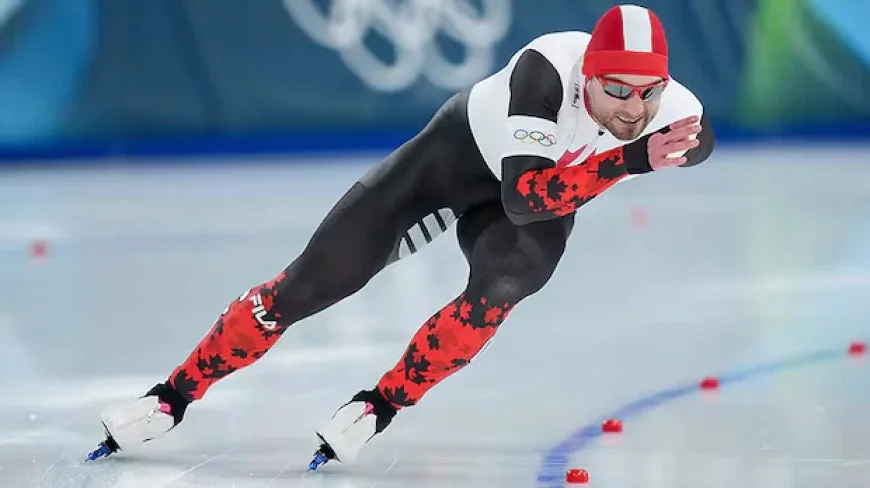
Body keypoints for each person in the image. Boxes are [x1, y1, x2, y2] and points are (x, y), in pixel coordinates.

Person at [88, 3, 716, 469]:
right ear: (588, 76)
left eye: (648, 93)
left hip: (544, 190)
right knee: (306, 287)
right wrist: (633, 161)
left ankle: (379, 405)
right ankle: (171, 397)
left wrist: (668, 149)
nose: (633, 110)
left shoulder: (668, 105)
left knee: (503, 287)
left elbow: (699, 141)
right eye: (615, 90)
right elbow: (524, 199)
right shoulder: (547, 69)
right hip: (451, 166)